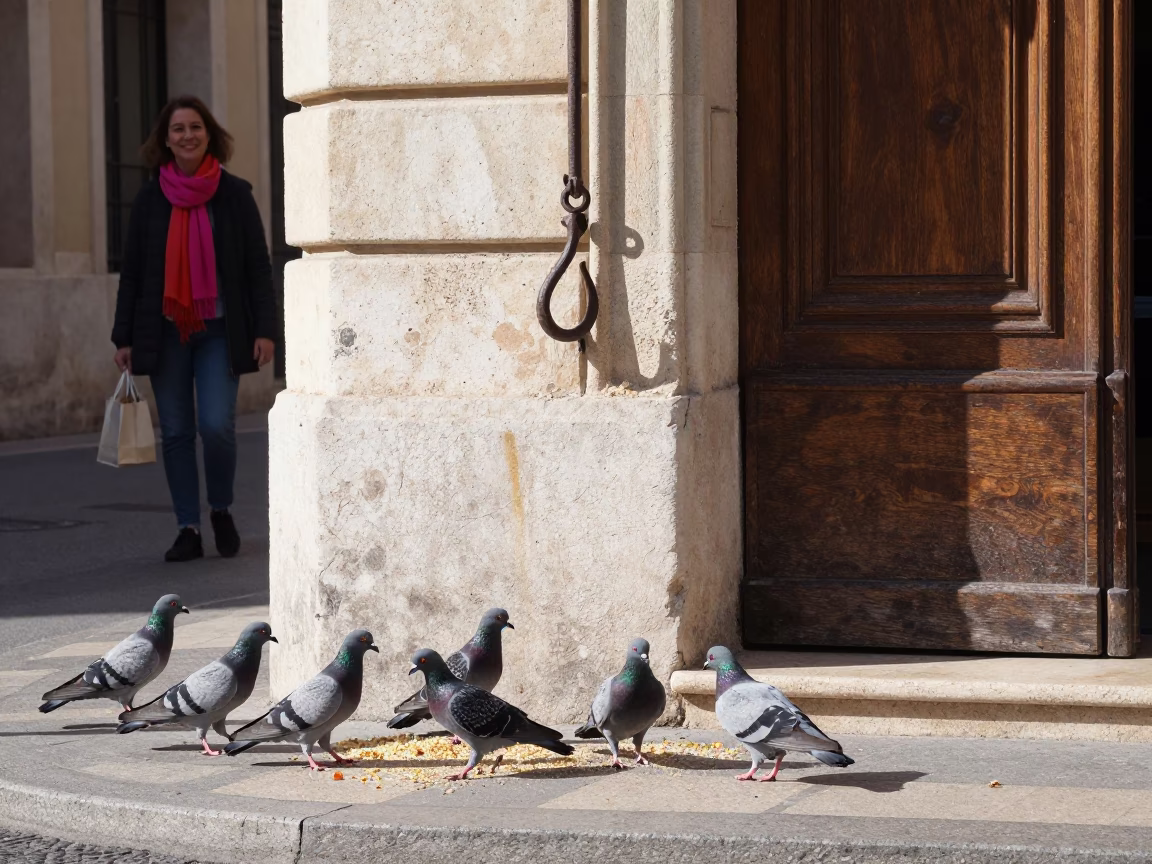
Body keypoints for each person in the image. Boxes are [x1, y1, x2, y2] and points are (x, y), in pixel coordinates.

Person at [111, 95, 276, 562]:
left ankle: (220, 509)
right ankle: (188, 527)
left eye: (195, 127)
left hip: (220, 330)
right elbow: (134, 273)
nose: (187, 135)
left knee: (216, 425)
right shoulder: (149, 200)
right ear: (165, 140)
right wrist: (123, 336)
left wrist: (265, 329)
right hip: (165, 332)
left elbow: (257, 268)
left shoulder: (235, 195)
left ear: (210, 134)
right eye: (178, 129)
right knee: (179, 432)